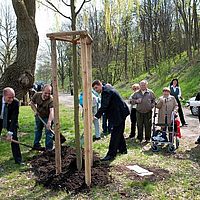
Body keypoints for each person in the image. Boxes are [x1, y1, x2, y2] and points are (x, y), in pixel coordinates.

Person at [92, 80, 130, 161]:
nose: (96, 90)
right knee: (118, 132)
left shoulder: (106, 92)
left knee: (115, 134)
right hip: (119, 112)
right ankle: (123, 150)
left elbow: (104, 106)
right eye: (94, 89)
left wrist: (96, 116)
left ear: (100, 85)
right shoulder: (107, 87)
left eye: (96, 88)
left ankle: (111, 154)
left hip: (119, 114)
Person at [0, 87, 22, 164]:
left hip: (10, 121)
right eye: (9, 98)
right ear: (4, 96)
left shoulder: (16, 103)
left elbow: (14, 119)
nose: (11, 100)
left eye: (13, 97)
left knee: (14, 138)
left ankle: (18, 160)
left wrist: (10, 133)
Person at [30, 84, 54, 151]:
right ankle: (36, 145)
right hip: (39, 116)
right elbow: (31, 103)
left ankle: (49, 149)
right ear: (42, 91)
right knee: (38, 130)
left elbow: (52, 111)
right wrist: (35, 111)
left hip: (48, 117)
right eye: (45, 93)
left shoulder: (51, 100)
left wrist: (49, 122)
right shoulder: (37, 95)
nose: (47, 95)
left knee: (48, 131)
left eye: (49, 93)